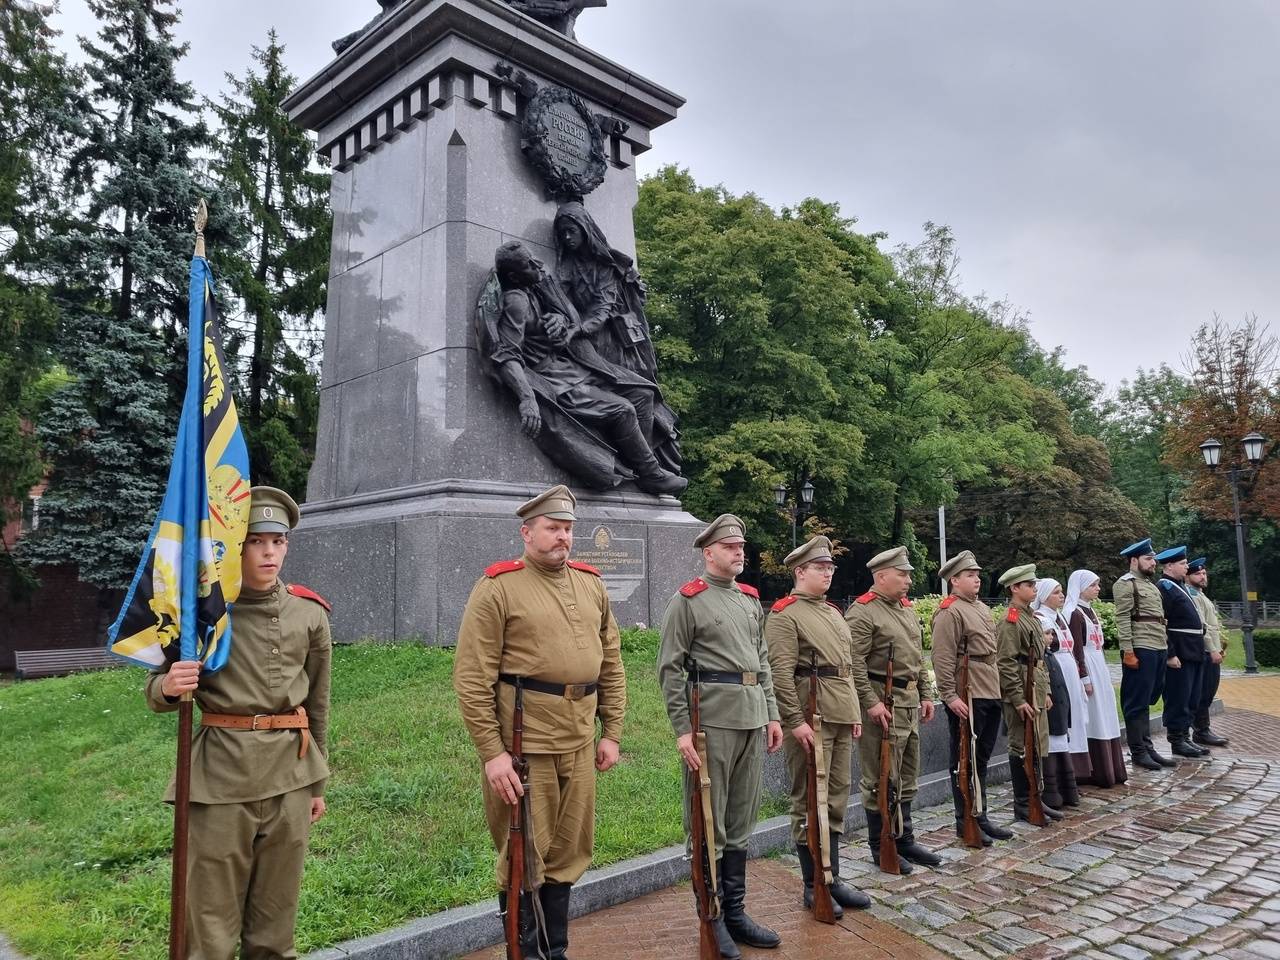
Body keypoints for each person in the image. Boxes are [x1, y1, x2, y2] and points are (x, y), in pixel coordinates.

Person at [146, 486, 332, 960]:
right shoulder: (201, 614)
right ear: (235, 546)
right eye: (256, 542)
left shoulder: (309, 613)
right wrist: (169, 685)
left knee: (276, 926)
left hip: (291, 779)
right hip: (221, 780)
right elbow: (156, 690)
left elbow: (318, 704)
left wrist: (317, 784)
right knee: (209, 926)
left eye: (278, 541)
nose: (270, 553)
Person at [452, 484, 628, 960]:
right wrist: (492, 754)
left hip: (580, 741)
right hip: (524, 748)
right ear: (527, 533)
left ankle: (556, 951)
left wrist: (611, 732)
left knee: (569, 851)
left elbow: (611, 663)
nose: (563, 537)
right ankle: (526, 953)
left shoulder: (591, 584)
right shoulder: (498, 587)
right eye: (553, 528)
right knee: (525, 855)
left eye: (568, 528)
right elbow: (472, 678)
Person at [658, 514, 784, 958]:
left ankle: (735, 912)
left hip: (751, 717)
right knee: (708, 820)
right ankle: (711, 916)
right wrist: (682, 731)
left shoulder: (749, 600)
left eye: (741, 546)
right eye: (730, 547)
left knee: (740, 819)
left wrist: (772, 714)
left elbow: (762, 662)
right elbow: (670, 670)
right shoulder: (688, 601)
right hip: (711, 724)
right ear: (708, 552)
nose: (739, 553)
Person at [479, 240, 685, 495]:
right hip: (554, 379)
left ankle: (637, 460)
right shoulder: (515, 301)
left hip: (569, 368)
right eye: (529, 265)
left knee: (643, 394)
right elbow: (507, 354)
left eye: (533, 259)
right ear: (514, 276)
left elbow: (565, 316)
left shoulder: (535, 290)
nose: (537, 265)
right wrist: (527, 398)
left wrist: (559, 319)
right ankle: (650, 474)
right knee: (623, 410)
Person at [764, 535, 870, 915]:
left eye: (830, 568)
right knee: (810, 797)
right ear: (799, 572)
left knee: (837, 796)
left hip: (839, 714)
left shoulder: (833, 613)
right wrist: (795, 721)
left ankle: (832, 877)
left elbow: (846, 668)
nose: (827, 573)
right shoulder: (785, 614)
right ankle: (813, 883)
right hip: (812, 719)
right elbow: (780, 673)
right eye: (820, 568)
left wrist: (854, 712)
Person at [845, 546, 940, 872]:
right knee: (881, 776)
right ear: (881, 576)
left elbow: (917, 657)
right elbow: (854, 663)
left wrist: (925, 694)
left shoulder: (906, 609)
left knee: (908, 774)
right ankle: (880, 845)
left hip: (909, 702)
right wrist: (870, 703)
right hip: (882, 704)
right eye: (903, 574)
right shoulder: (863, 612)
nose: (909, 580)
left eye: (908, 574)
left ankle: (905, 839)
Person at [929, 549, 1014, 845]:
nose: (977, 579)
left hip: (989, 687)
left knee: (981, 758)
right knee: (964, 759)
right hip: (968, 691)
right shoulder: (950, 611)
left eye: (977, 574)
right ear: (954, 580)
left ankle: (981, 815)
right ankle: (964, 819)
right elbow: (942, 656)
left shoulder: (979, 607)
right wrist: (949, 695)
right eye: (969, 575)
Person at [554, 201, 660, 382]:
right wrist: (558, 316)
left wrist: (576, 329)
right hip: (583, 334)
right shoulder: (568, 264)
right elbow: (560, 299)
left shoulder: (605, 265)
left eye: (571, 231)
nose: (567, 237)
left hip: (611, 337)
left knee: (621, 382)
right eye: (562, 233)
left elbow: (602, 309)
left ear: (584, 229)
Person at [996, 563, 1061, 824]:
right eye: (1029, 585)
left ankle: (1036, 797)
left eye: (1034, 584)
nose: (1034, 588)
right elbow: (1006, 663)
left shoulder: (1030, 617)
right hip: (1022, 690)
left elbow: (1040, 660)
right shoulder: (1010, 620)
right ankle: (1023, 803)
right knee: (1021, 745)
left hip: (1035, 687)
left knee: (1038, 744)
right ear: (1014, 588)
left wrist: (1045, 691)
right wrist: (1018, 699)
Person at [1113, 538, 1176, 771]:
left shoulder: (1150, 585)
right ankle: (1138, 751)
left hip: (1157, 646)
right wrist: (1128, 651)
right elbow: (1122, 618)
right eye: (1148, 559)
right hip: (1140, 646)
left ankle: (1148, 747)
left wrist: (1166, 647)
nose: (1153, 563)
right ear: (1134, 560)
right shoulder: (1126, 584)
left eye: (1153, 559)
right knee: (1136, 701)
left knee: (1148, 698)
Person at [1064, 570, 1128, 787]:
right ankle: (1095, 769)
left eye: (1098, 584)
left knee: (1105, 713)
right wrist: (1084, 677)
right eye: (1093, 585)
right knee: (1093, 716)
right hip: (1088, 667)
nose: (1098, 589)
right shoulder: (1074, 613)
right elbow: (1076, 649)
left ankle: (1112, 767)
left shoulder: (1090, 610)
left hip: (1099, 664)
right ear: (1080, 587)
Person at [1032, 579, 1091, 808]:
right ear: (1044, 595)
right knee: (1058, 724)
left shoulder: (1060, 617)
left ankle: (1074, 775)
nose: (1062, 595)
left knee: (1072, 721)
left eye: (1062, 591)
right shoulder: (1041, 618)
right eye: (1056, 592)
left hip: (1068, 671)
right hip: (1055, 671)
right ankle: (1057, 784)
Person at [1154, 545, 1209, 759]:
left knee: (1191, 697)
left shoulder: (1179, 586)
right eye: (1183, 563)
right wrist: (1170, 653)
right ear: (1169, 566)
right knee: (1178, 697)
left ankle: (1185, 736)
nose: (1187, 566)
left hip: (1193, 650)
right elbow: (1162, 623)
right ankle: (1177, 739)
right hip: (1181, 651)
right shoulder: (1165, 587)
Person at [1187, 557, 1229, 747]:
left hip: (1210, 650)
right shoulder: (1193, 595)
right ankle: (1201, 731)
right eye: (1197, 574)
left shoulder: (1201, 594)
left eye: (1204, 573)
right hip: (1204, 651)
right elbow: (1202, 626)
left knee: (1208, 691)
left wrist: (1219, 647)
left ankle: (1202, 730)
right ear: (1188, 576)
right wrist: (1212, 650)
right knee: (1203, 692)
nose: (1203, 577)